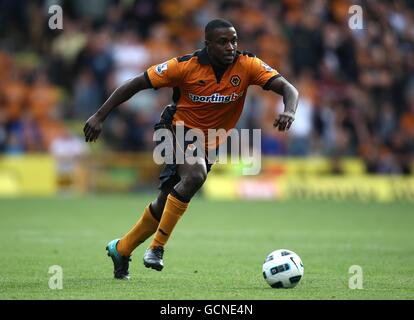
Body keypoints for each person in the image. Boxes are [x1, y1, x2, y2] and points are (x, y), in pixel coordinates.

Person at [83, 19, 299, 279]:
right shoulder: (184, 67)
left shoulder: (248, 65)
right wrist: (99, 116)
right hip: (174, 129)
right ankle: (157, 249)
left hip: (210, 142)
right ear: (207, 44)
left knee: (165, 204)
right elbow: (135, 84)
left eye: (234, 40)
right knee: (195, 176)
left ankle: (121, 248)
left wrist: (288, 110)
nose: (230, 47)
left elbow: (289, 89)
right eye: (223, 42)